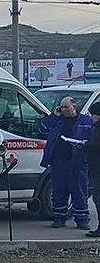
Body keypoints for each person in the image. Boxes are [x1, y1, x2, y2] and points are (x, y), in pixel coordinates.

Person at [39, 96, 94, 229]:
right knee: (59, 192)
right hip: (59, 161)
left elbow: (93, 137)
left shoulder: (85, 121)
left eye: (66, 107)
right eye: (62, 107)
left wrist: (85, 144)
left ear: (74, 107)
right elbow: (41, 128)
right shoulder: (57, 120)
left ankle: (82, 221)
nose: (63, 110)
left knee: (79, 192)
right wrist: (54, 115)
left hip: (78, 162)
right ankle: (58, 219)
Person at [81, 102, 100, 237]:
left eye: (92, 114)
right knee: (97, 198)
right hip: (95, 168)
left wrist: (86, 144)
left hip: (98, 170)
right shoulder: (96, 128)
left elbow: (97, 146)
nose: (91, 117)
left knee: (98, 198)